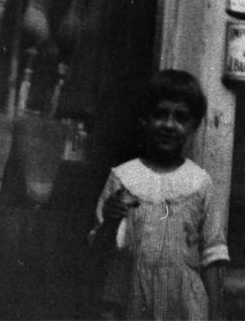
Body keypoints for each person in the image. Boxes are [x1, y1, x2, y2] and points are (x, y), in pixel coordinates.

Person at [90, 70, 229, 321]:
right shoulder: (123, 178)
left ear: (194, 125)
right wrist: (110, 221)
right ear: (145, 119)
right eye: (160, 114)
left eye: (180, 117)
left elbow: (212, 255)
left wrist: (217, 316)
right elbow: (100, 254)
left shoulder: (199, 183)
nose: (168, 124)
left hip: (185, 307)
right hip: (134, 303)